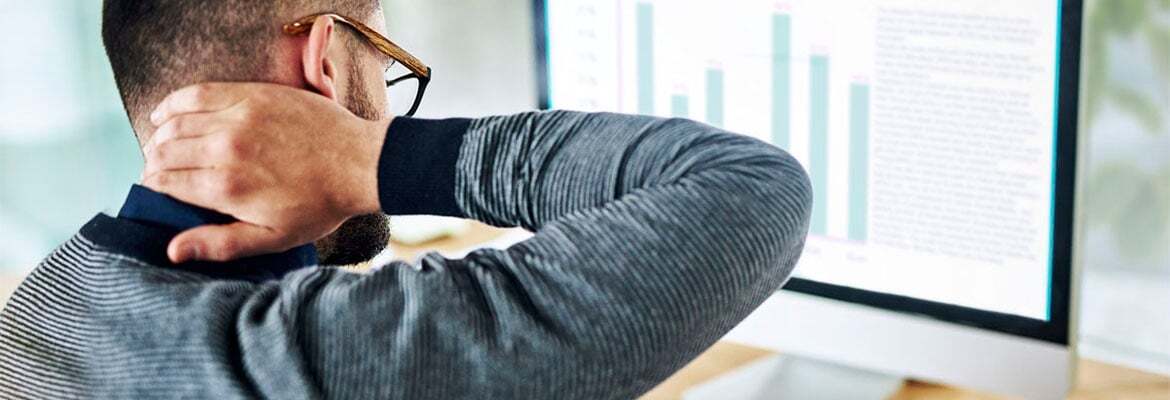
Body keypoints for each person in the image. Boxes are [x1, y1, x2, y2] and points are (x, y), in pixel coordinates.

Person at [0, 1, 812, 399]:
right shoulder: (317, 360)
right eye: (387, 71)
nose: (388, 104)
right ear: (325, 62)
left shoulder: (35, 307)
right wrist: (373, 155)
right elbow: (747, 189)